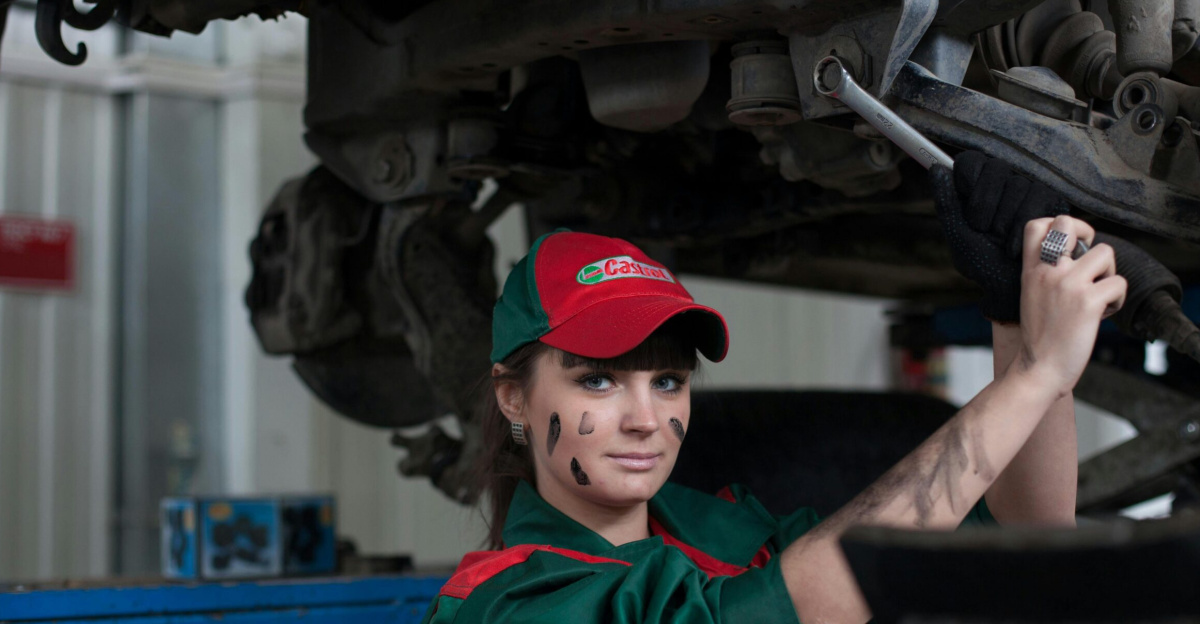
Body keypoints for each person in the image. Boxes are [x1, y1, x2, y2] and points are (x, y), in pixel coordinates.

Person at [419, 153, 1128, 623]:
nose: (644, 418)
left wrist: (1014, 317)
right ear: (514, 397)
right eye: (598, 380)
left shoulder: (718, 530)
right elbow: (791, 607)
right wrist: (1038, 374)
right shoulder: (510, 602)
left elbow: (1020, 537)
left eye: (667, 380)